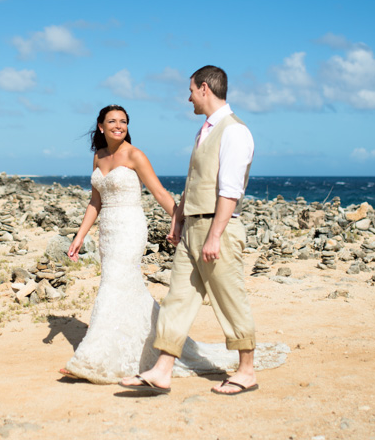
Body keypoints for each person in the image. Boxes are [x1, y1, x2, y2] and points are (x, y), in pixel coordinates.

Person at [61, 104, 247, 384]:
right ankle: (135, 345)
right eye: (112, 121)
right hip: (108, 232)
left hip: (130, 228)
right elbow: (95, 201)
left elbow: (159, 192)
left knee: (114, 285)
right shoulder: (98, 157)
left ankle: (91, 357)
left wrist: (179, 219)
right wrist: (80, 235)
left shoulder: (135, 155)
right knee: (118, 287)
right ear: (100, 126)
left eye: (123, 122)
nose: (118, 126)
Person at [120, 64, 259, 396]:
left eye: (191, 90)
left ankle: (247, 370)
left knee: (229, 298)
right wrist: (178, 219)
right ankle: (163, 370)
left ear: (205, 89)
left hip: (217, 229)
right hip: (193, 227)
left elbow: (230, 190)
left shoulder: (235, 131)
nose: (188, 97)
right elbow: (195, 182)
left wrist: (214, 236)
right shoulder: (205, 130)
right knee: (177, 298)